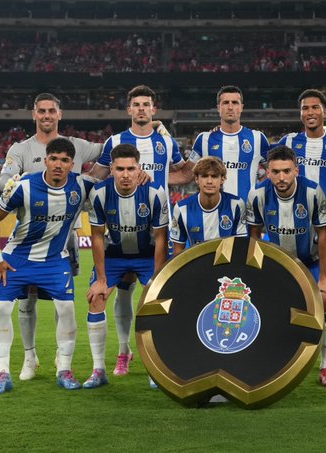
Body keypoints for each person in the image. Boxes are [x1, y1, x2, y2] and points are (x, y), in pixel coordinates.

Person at [0, 93, 103, 383]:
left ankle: (61, 357)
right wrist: (21, 185)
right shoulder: (20, 149)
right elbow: (3, 180)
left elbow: (110, 150)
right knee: (27, 299)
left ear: (60, 114)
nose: (47, 115)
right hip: (29, 235)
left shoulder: (77, 146)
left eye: (51, 111)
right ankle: (29, 356)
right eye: (41, 111)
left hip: (65, 236)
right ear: (34, 114)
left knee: (62, 298)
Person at [0, 138, 97, 394]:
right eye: (54, 159)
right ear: (45, 160)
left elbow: (115, 181)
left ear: (72, 164)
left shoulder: (82, 185)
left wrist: (143, 175)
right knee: (2, 309)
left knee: (67, 309)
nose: (58, 165)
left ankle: (64, 369)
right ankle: (2, 374)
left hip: (54, 260)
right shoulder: (23, 186)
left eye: (65, 160)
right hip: (17, 258)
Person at [88, 85, 186, 375]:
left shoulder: (166, 142)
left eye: (146, 104)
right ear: (129, 110)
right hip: (119, 233)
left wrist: (158, 179)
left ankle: (159, 361)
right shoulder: (115, 141)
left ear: (153, 110)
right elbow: (98, 175)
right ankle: (122, 352)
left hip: (153, 231)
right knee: (121, 293)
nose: (141, 109)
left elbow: (184, 172)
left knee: (158, 299)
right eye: (136, 104)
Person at [274, 89, 326, 369]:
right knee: (288, 280)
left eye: (315, 107)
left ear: (325, 111)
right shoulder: (289, 141)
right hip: (294, 222)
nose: (310, 112)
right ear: (300, 113)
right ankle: (290, 345)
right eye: (305, 108)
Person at [247, 146, 326, 388]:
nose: (281, 177)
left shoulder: (312, 192)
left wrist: (325, 277)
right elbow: (254, 235)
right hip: (278, 264)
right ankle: (268, 362)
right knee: (263, 306)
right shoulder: (257, 194)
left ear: (296, 171)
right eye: (276, 172)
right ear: (267, 172)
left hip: (310, 262)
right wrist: (258, 271)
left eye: (287, 171)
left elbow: (323, 234)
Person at [83, 144, 169, 388]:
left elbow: (161, 238)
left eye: (131, 168)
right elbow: (96, 237)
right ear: (111, 169)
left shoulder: (155, 192)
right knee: (96, 298)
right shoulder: (99, 193)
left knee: (157, 303)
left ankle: (156, 368)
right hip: (114, 255)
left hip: (147, 255)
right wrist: (101, 279)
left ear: (139, 168)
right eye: (120, 169)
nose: (125, 174)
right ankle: (99, 370)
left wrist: (158, 278)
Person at [186, 85, 270, 199]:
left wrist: (262, 191)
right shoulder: (204, 139)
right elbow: (185, 175)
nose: (230, 107)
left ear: (241, 107)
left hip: (248, 209)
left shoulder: (258, 138)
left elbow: (274, 170)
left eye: (235, 103)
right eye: (225, 103)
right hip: (215, 209)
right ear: (218, 107)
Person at [171, 156, 247, 255]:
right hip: (197, 263)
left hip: (228, 264)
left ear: (222, 179)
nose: (209, 181)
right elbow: (178, 252)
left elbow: (240, 248)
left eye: (214, 176)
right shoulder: (182, 208)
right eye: (204, 176)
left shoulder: (236, 205)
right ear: (196, 179)